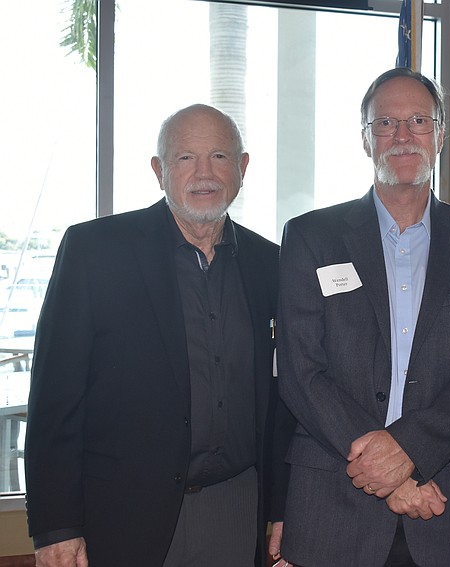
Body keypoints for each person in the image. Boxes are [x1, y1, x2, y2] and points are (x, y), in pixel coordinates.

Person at [25, 104, 293, 567]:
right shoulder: (95, 251)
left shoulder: (271, 264)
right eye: (186, 158)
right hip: (121, 513)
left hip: (234, 505)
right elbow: (54, 398)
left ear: (243, 168)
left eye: (220, 157)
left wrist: (283, 508)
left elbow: (285, 397)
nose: (204, 173)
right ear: (159, 170)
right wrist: (57, 526)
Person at [268, 67, 450, 567]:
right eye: (385, 124)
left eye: (418, 121)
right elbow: (301, 371)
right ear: (366, 140)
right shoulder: (311, 237)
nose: (403, 136)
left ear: (440, 134)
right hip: (333, 504)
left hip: (448, 504)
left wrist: (409, 452)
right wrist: (387, 470)